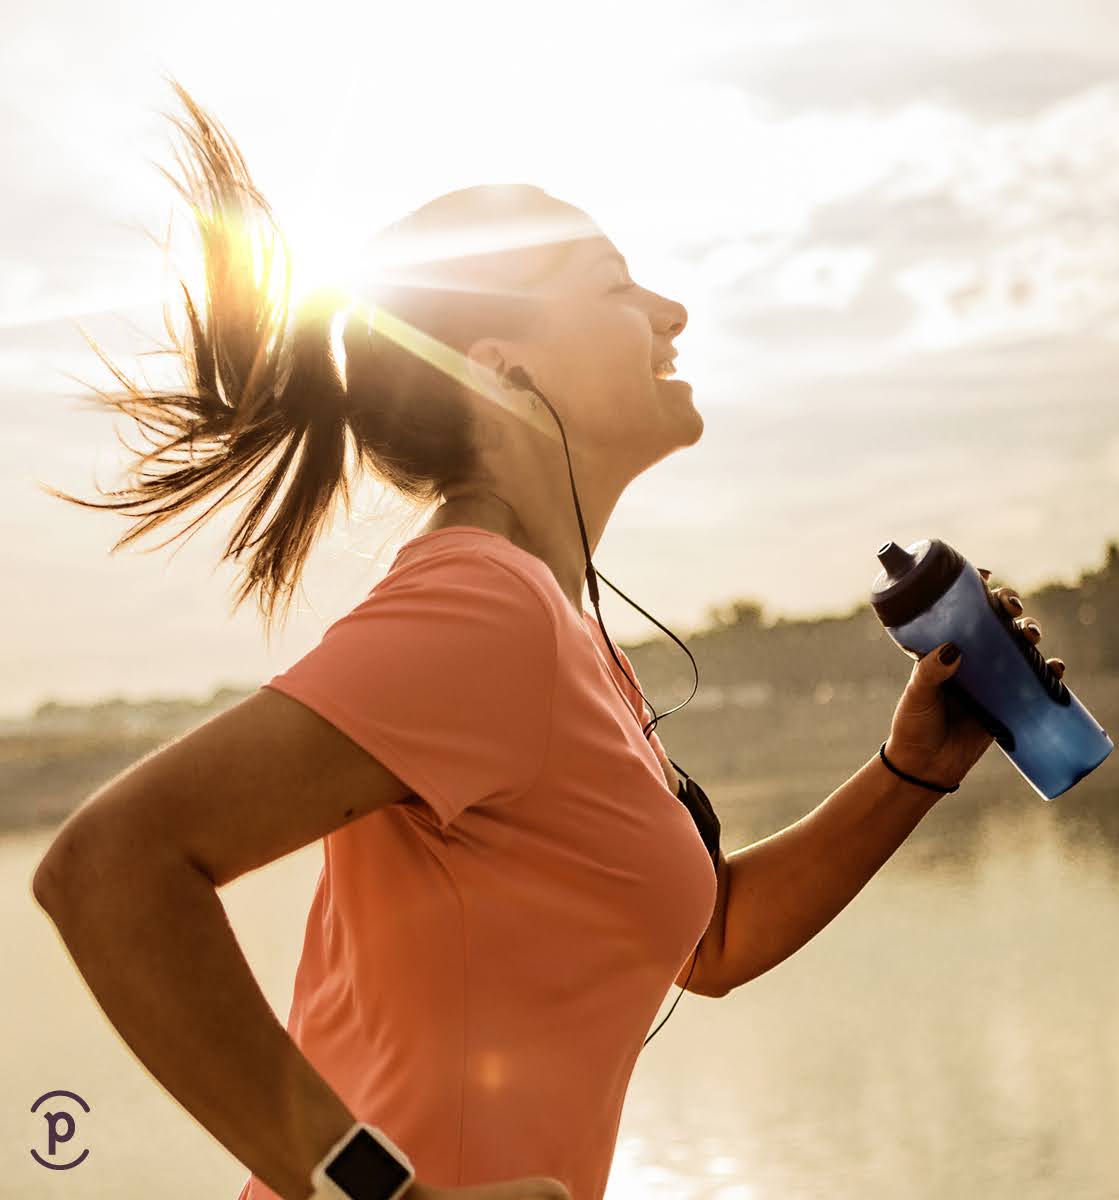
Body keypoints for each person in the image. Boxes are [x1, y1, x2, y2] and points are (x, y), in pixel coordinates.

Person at [30, 79, 1066, 1200]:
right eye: (616, 286)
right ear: (500, 365)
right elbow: (110, 869)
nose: (672, 310)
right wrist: (373, 1194)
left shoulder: (562, 629)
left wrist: (913, 769)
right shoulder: (484, 611)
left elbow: (710, 940)